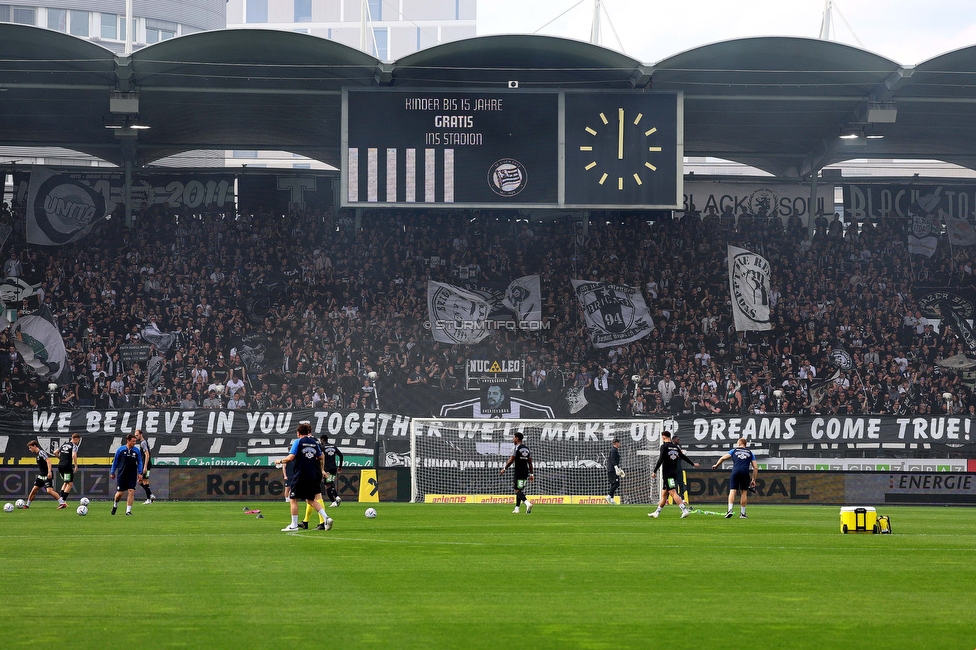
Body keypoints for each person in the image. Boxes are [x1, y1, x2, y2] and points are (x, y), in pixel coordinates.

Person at [278, 422, 332, 532]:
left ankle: (294, 525)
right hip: (312, 475)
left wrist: (279, 461)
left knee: (293, 498)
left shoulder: (298, 441)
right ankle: (326, 518)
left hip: (300, 475)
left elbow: (290, 457)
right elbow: (321, 456)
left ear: (298, 433)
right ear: (308, 432)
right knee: (311, 499)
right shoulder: (313, 442)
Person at [649, 432, 699, 519]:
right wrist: (693, 464)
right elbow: (683, 457)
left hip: (667, 474)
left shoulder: (664, 446)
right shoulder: (675, 447)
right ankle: (657, 512)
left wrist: (654, 471)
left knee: (673, 492)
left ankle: (684, 510)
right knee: (664, 494)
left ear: (664, 437)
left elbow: (660, 459)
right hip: (674, 472)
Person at [712, 437, 759, 518]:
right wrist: (753, 479)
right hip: (745, 473)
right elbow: (755, 467)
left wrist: (716, 465)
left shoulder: (734, 450)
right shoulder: (750, 453)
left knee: (732, 491)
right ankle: (743, 514)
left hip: (735, 472)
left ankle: (730, 510)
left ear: (739, 443)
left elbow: (723, 458)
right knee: (744, 492)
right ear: (745, 444)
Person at [26, 440, 67, 509]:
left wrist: (49, 472)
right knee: (34, 490)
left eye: (30, 447)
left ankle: (62, 503)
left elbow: (48, 461)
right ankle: (27, 505)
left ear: (34, 446)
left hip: (47, 475)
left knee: (49, 491)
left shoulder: (41, 452)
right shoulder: (37, 454)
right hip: (41, 475)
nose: (29, 449)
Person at [110, 434, 144, 516]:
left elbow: (139, 462)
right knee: (119, 494)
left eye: (135, 441)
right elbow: (115, 462)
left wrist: (140, 473)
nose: (134, 443)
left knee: (131, 491)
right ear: (128, 441)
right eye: (133, 441)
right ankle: (115, 505)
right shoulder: (120, 450)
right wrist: (112, 472)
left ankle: (128, 511)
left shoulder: (136, 451)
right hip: (122, 474)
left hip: (132, 474)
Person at [500, 431, 533, 514]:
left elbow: (511, 460)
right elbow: (530, 462)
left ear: (517, 438)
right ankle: (517, 508)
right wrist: (531, 474)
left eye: (513, 438)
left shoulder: (516, 448)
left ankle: (527, 503)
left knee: (517, 490)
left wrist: (504, 468)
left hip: (518, 471)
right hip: (525, 471)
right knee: (519, 489)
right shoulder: (527, 449)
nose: (512, 439)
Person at [56, 433, 82, 505]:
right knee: (70, 484)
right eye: (78, 440)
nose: (78, 442)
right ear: (76, 439)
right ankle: (63, 501)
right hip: (67, 466)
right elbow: (74, 455)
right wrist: (76, 465)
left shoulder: (64, 445)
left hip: (60, 465)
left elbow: (55, 452)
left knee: (66, 482)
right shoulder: (74, 446)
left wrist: (61, 458)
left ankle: (61, 499)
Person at [321, 435, 344, 507]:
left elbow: (320, 457)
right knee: (330, 483)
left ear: (322, 440)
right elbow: (341, 455)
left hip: (327, 469)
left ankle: (334, 501)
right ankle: (337, 497)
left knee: (327, 485)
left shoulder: (323, 447)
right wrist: (340, 467)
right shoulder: (333, 446)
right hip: (334, 468)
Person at [134, 430, 156, 504]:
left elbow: (147, 455)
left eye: (137, 435)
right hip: (147, 464)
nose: (136, 437)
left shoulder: (143, 443)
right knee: (144, 481)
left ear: (141, 435)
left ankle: (150, 496)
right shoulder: (144, 442)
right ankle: (149, 497)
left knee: (141, 481)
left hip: (145, 464)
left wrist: (145, 466)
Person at [606, 437, 623, 504]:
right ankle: (609, 496)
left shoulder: (615, 450)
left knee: (613, 483)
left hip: (612, 469)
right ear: (616, 443)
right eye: (619, 443)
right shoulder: (614, 450)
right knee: (617, 483)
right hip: (612, 469)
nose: (620, 444)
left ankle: (612, 499)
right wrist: (616, 468)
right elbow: (613, 459)